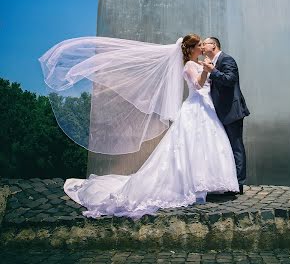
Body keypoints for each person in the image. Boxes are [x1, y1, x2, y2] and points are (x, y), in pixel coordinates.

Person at [39, 34, 239, 219]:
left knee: (206, 145)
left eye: (204, 44)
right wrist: (206, 71)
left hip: (207, 108)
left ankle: (208, 183)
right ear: (192, 49)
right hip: (195, 107)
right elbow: (197, 85)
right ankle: (191, 185)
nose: (202, 47)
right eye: (199, 45)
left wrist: (208, 70)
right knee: (189, 147)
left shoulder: (199, 63)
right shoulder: (188, 65)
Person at [202, 37, 250, 195]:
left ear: (213, 45)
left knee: (236, 146)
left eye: (205, 43)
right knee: (226, 147)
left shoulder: (227, 59)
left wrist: (212, 71)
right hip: (220, 112)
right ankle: (229, 181)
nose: (202, 46)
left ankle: (239, 183)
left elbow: (230, 80)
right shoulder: (212, 62)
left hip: (232, 111)